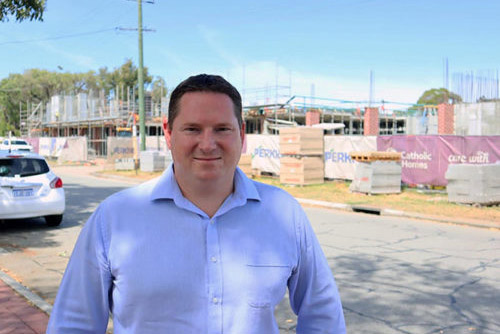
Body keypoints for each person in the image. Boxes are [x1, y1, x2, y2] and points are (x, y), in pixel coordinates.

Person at [47, 74, 346, 334]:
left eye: (221, 129)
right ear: (168, 132)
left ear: (241, 134)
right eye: (192, 129)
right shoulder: (114, 219)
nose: (207, 143)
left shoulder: (283, 213)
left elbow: (323, 316)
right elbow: (74, 325)